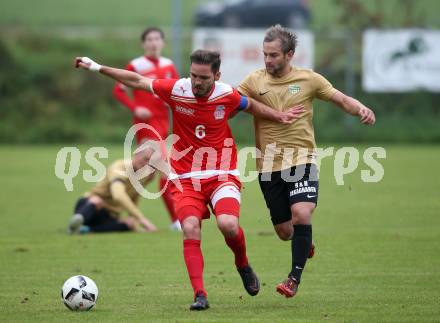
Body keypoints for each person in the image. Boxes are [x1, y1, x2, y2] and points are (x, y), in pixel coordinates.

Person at [74, 49, 303, 310]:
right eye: (193, 75)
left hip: (221, 173)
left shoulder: (226, 94)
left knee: (228, 225)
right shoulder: (177, 89)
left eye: (203, 77)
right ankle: (200, 294)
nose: (196, 82)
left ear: (216, 76)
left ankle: (242, 264)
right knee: (190, 228)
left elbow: (249, 105)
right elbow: (137, 81)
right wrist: (97, 67)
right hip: (184, 176)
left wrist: (279, 115)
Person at [237, 24, 376, 299]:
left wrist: (360, 108)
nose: (268, 60)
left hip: (302, 159)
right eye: (265, 54)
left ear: (290, 55)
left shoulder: (309, 79)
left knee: (302, 213)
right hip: (268, 166)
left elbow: (341, 99)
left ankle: (293, 278)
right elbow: (231, 101)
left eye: (274, 55)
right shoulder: (254, 81)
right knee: (285, 231)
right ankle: (305, 241)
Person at [113, 27, 181, 231]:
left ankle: (124, 210)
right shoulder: (136, 65)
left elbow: (176, 90)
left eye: (157, 39)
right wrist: (135, 107)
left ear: (163, 42)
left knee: (147, 174)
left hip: (163, 125)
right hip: (146, 126)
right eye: (149, 39)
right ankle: (175, 221)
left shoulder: (169, 65)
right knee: (166, 169)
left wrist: (173, 103)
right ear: (143, 44)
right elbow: (119, 90)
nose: (153, 42)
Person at [68, 149, 158, 234]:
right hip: (90, 206)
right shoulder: (119, 167)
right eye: (145, 159)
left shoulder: (146, 174)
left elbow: (135, 196)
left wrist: (135, 222)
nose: (147, 164)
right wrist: (142, 219)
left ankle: (85, 230)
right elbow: (118, 195)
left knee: (130, 223)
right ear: (136, 155)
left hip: (110, 215)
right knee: (96, 201)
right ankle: (78, 220)